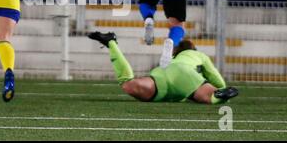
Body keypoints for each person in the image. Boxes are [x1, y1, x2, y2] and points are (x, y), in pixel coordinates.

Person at [88, 31, 238, 104]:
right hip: (184, 76)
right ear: (194, 49)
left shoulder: (173, 58)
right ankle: (219, 98)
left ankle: (111, 42)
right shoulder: (198, 55)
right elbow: (217, 79)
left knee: (128, 84)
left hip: (161, 77)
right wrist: (219, 88)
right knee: (209, 97)